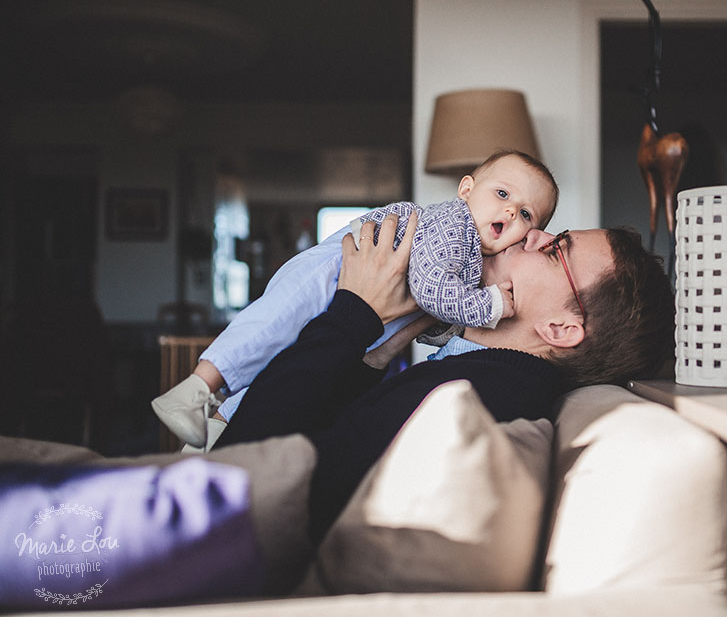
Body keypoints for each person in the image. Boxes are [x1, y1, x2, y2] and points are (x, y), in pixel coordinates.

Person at [214, 212, 675, 540]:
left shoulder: (463, 400)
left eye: (556, 251)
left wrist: (351, 315)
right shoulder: (489, 377)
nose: (534, 234)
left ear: (561, 329)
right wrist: (370, 359)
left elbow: (243, 469)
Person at [152, 151, 559, 448]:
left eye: (526, 215)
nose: (510, 211)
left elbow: (432, 314)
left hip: (364, 303)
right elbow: (434, 291)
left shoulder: (473, 255)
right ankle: (196, 388)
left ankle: (219, 425)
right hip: (339, 268)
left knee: (284, 358)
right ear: (466, 189)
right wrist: (489, 306)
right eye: (502, 193)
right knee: (277, 322)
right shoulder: (457, 226)